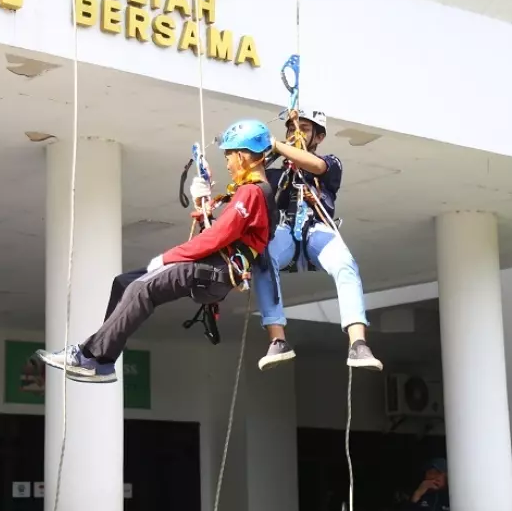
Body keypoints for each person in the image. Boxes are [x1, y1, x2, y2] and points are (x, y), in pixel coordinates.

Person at [35, 119, 279, 383]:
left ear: (242, 156)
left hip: (214, 270)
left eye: (229, 156)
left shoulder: (252, 193)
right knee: (124, 283)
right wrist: (205, 206)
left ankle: (89, 357)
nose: (228, 163)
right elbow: (223, 231)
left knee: (141, 289)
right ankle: (102, 361)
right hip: (211, 268)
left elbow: (218, 237)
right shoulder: (249, 193)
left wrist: (166, 258)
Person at [250, 109, 383, 372]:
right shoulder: (277, 175)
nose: (295, 134)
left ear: (319, 137)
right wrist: (272, 152)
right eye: (291, 129)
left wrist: (279, 145)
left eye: (304, 129)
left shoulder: (331, 164)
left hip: (317, 230)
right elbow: (252, 175)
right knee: (263, 259)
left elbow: (315, 165)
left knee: (345, 263)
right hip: (286, 231)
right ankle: (278, 340)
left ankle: (358, 344)